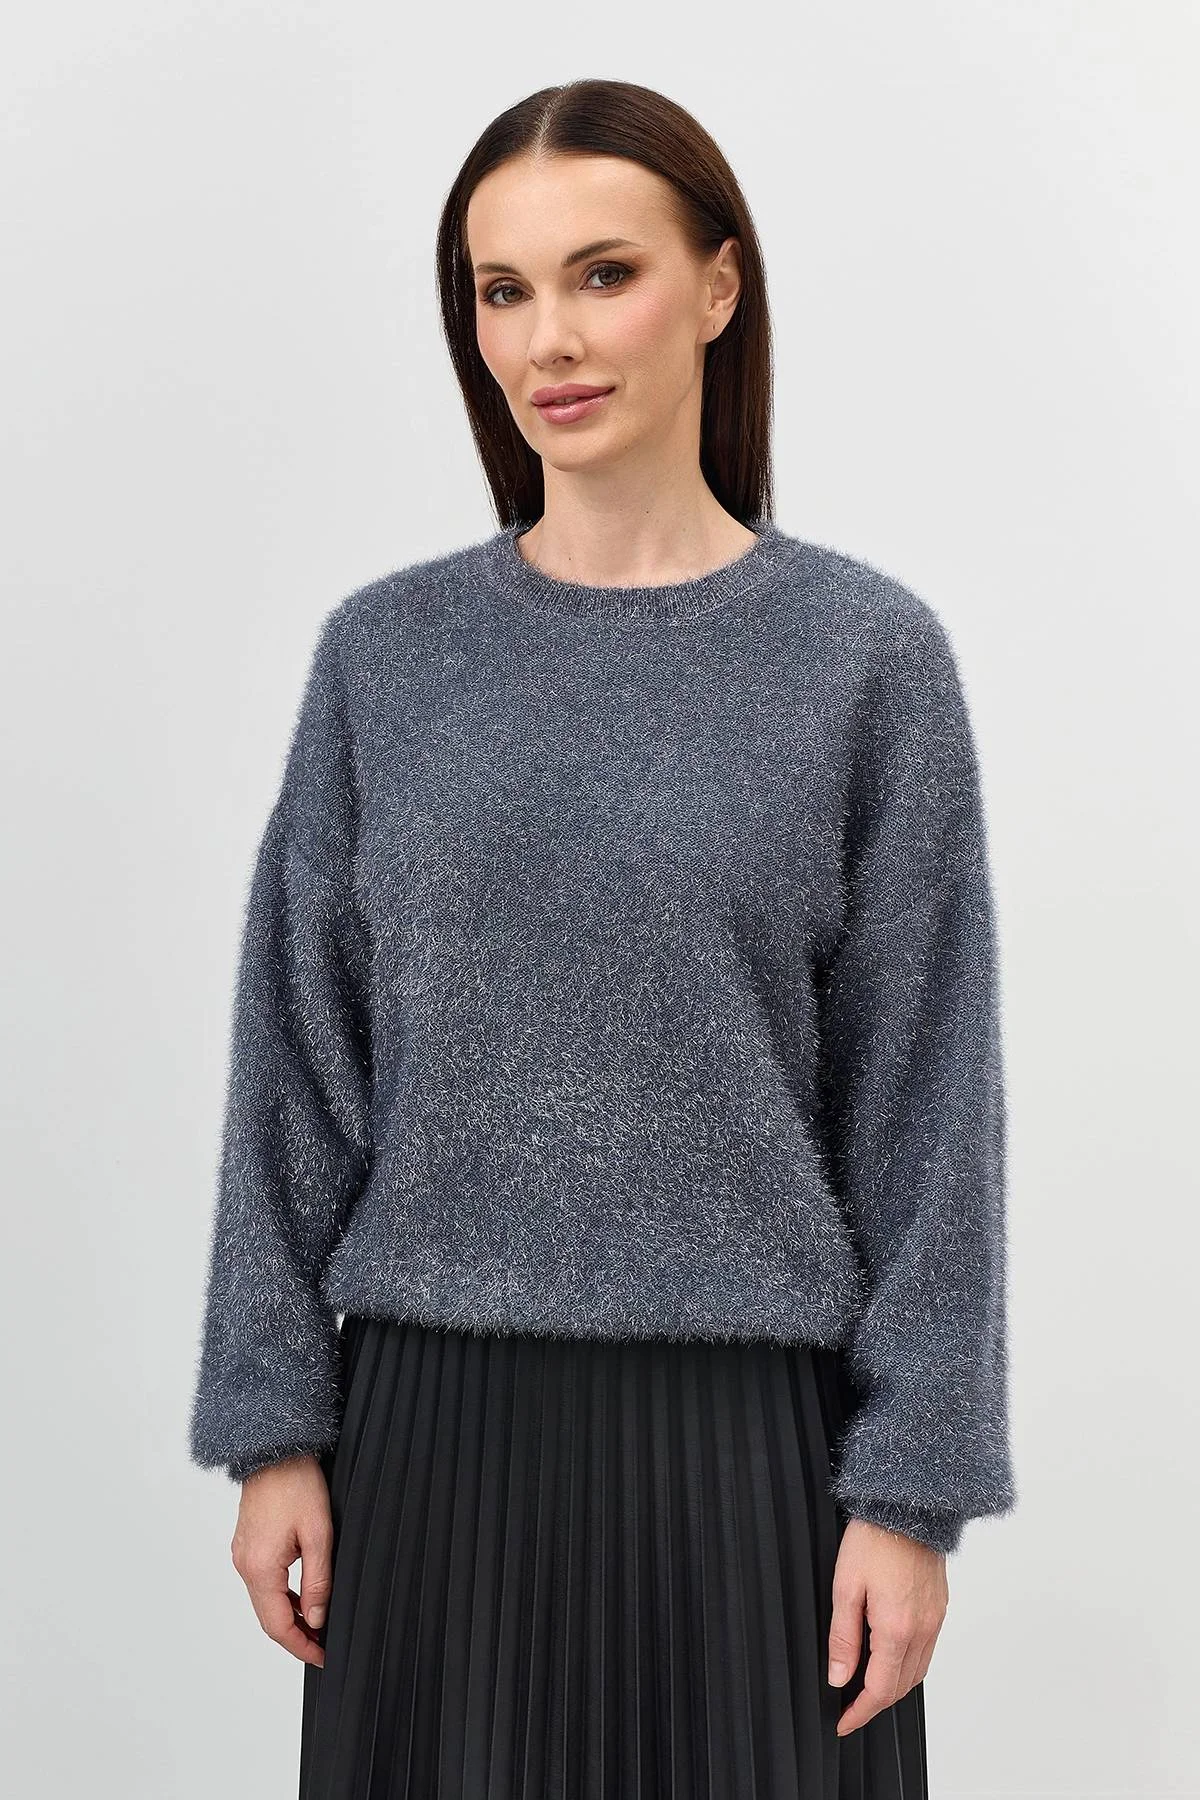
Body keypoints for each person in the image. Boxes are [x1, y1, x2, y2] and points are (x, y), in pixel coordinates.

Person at [189, 77, 1017, 1799]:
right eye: (503, 291)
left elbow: (929, 1104)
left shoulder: (863, 661)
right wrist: (273, 1429)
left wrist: (913, 1488)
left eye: (604, 273)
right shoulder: (387, 659)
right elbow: (296, 1064)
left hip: (756, 1469)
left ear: (718, 286)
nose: (548, 338)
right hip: (427, 1454)